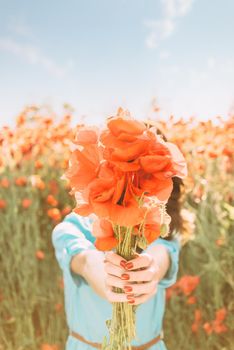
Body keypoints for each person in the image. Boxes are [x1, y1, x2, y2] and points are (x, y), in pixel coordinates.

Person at [51, 128, 184, 350]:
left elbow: (161, 254)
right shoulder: (76, 224)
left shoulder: (162, 226)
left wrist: (147, 273)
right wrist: (105, 276)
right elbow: (83, 259)